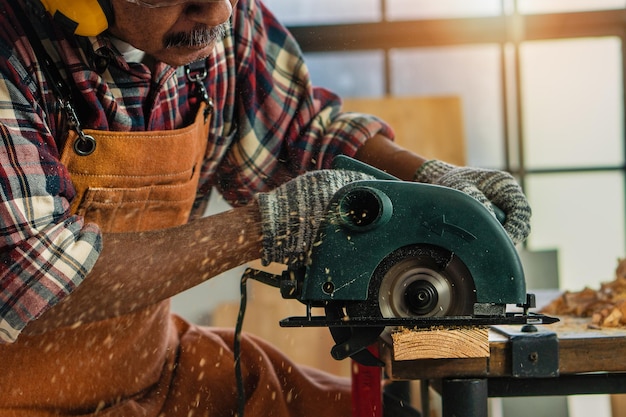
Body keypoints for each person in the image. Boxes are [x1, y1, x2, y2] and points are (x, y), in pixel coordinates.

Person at [0, 0, 531, 416]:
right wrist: (268, 226)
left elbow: (302, 133)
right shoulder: (13, 51)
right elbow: (36, 284)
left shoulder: (221, 21)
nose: (218, 13)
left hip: (154, 373)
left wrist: (433, 182)